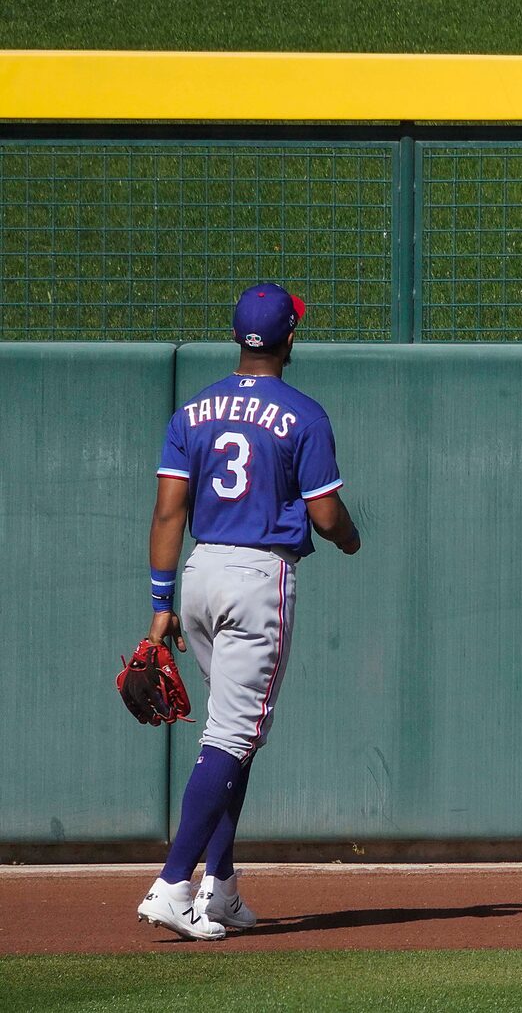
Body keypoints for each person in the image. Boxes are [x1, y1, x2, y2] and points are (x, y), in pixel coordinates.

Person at [135, 283, 361, 941]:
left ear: (239, 337)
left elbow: (168, 511)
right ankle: (174, 884)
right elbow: (324, 514)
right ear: (290, 338)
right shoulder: (304, 414)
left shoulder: (193, 411)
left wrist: (159, 605)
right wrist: (350, 536)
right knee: (233, 736)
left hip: (200, 576)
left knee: (236, 734)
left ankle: (221, 887)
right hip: (258, 577)